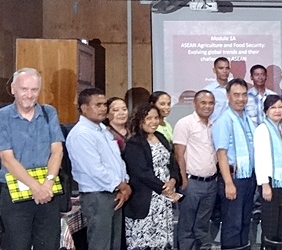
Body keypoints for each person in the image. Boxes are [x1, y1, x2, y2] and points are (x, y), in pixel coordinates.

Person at [0, 68, 65, 250]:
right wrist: (35, 187)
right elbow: (7, 159)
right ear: (13, 89)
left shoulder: (49, 113)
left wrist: (47, 184)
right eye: (24, 89)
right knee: (16, 245)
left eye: (34, 90)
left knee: (49, 245)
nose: (29, 95)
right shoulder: (0, 117)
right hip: (16, 194)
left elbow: (57, 151)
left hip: (48, 192)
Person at [67, 88, 132, 250]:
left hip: (115, 192)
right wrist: (122, 185)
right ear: (84, 108)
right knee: (101, 244)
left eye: (104, 104)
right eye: (98, 105)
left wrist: (123, 183)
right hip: (98, 196)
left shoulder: (102, 129)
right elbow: (95, 169)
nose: (103, 108)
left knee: (113, 244)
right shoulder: (81, 134)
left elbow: (117, 161)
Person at [123, 103, 182, 249]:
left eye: (156, 118)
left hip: (163, 201)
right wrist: (163, 188)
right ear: (140, 120)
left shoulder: (161, 137)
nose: (153, 122)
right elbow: (140, 172)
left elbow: (172, 163)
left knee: (163, 243)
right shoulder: (134, 143)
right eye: (148, 118)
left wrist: (173, 180)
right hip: (145, 200)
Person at [172, 90, 220, 250]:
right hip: (191, 182)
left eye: (211, 103)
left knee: (202, 223)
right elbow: (179, 154)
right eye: (203, 103)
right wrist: (183, 180)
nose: (207, 106)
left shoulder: (214, 124)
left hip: (211, 182)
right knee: (186, 224)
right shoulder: (185, 123)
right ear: (195, 104)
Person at [213, 79, 257, 249]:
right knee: (233, 224)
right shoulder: (224, 120)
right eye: (236, 95)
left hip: (248, 177)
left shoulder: (246, 118)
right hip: (233, 178)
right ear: (228, 96)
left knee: (245, 222)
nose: (241, 99)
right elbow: (221, 154)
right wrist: (229, 183)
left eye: (244, 95)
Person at [253, 95, 282, 245]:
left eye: (280, 107)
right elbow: (260, 159)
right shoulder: (262, 130)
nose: (277, 111)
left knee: (280, 225)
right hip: (270, 182)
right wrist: (265, 184)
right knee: (270, 226)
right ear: (266, 111)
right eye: (273, 108)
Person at [206, 57, 232, 121]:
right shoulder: (208, 91)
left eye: (227, 68)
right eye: (221, 68)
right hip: (215, 127)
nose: (225, 71)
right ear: (214, 70)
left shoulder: (234, 88)